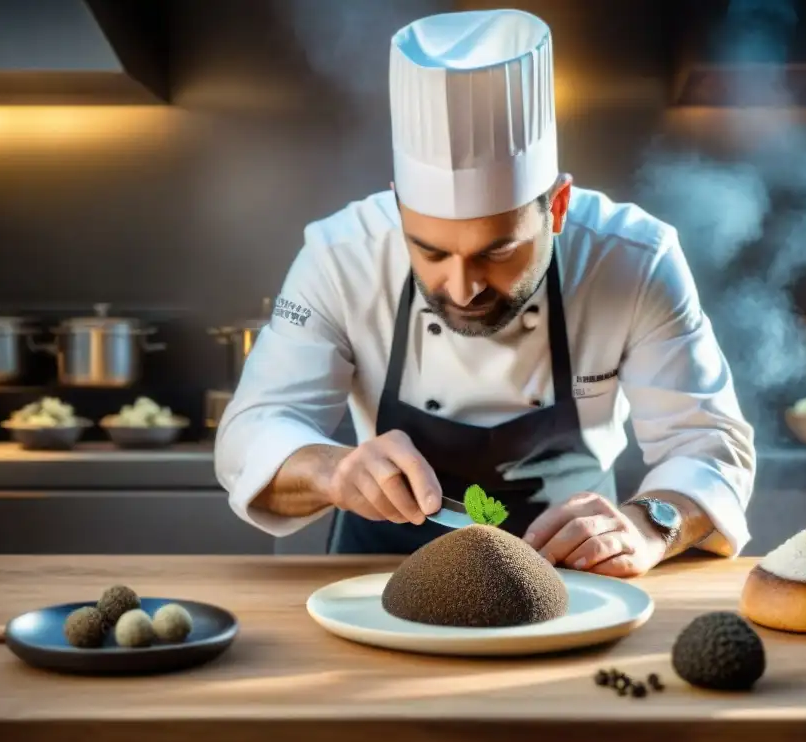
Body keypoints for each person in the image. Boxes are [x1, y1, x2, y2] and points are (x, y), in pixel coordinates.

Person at [215, 8, 756, 576]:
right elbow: (252, 430)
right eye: (430, 250)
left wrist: (648, 525)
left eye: (496, 252)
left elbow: (707, 445)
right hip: (375, 582)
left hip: (577, 581)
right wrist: (331, 469)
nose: (462, 287)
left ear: (558, 208)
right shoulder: (340, 255)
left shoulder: (634, 258)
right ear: (399, 206)